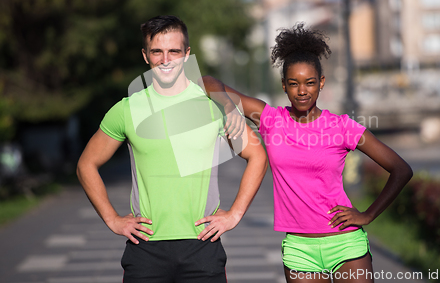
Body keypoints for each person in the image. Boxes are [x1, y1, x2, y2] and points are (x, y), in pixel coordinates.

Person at [200, 23, 413, 283]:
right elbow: (209, 83)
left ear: (321, 83)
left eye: (310, 83)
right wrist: (229, 106)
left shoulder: (342, 126)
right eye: (294, 83)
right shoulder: (270, 119)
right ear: (284, 86)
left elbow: (401, 169)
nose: (302, 91)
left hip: (346, 244)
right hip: (299, 250)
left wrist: (368, 215)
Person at [76, 15, 267, 283]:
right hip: (145, 250)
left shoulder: (214, 106)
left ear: (187, 55)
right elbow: (86, 164)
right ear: (146, 56)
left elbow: (257, 155)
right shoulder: (126, 109)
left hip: (202, 246)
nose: (166, 60)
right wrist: (112, 219)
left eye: (174, 51)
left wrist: (235, 214)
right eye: (157, 52)